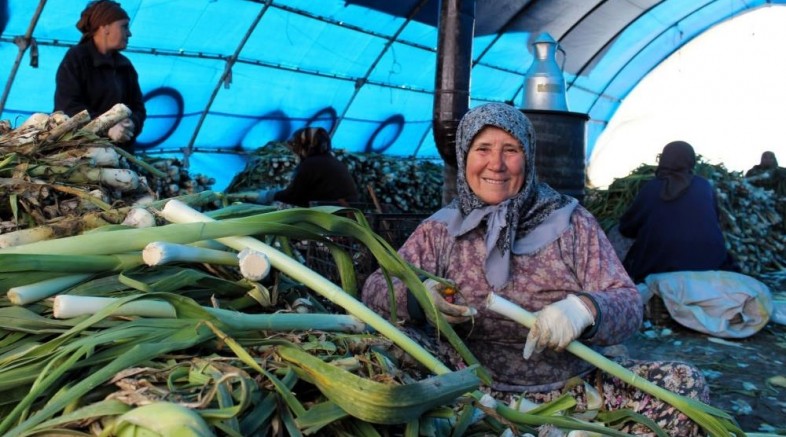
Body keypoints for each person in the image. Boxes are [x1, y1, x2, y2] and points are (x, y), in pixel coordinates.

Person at [362, 103, 710, 436]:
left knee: (684, 384)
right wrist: (420, 297)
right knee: (378, 361)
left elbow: (629, 304)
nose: (495, 164)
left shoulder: (571, 223)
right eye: (482, 149)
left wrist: (584, 310)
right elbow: (377, 287)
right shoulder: (441, 229)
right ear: (464, 155)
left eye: (510, 150)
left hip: (571, 393)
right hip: (462, 390)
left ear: (528, 157)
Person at [618, 141, 738, 284]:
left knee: (617, 236)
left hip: (660, 270)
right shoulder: (704, 186)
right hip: (711, 267)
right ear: (691, 161)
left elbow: (626, 228)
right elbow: (714, 221)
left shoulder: (652, 188)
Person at [54, 0, 146, 154]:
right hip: (80, 153)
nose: (129, 33)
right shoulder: (76, 59)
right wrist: (105, 127)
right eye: (124, 26)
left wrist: (131, 123)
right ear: (105, 27)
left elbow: (138, 107)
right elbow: (67, 108)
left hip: (119, 155)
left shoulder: (125, 66)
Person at [234, 127, 359, 208]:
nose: (294, 149)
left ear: (306, 146)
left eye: (296, 145)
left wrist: (270, 195)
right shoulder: (331, 161)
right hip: (346, 212)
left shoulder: (311, 164)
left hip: (334, 216)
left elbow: (295, 196)